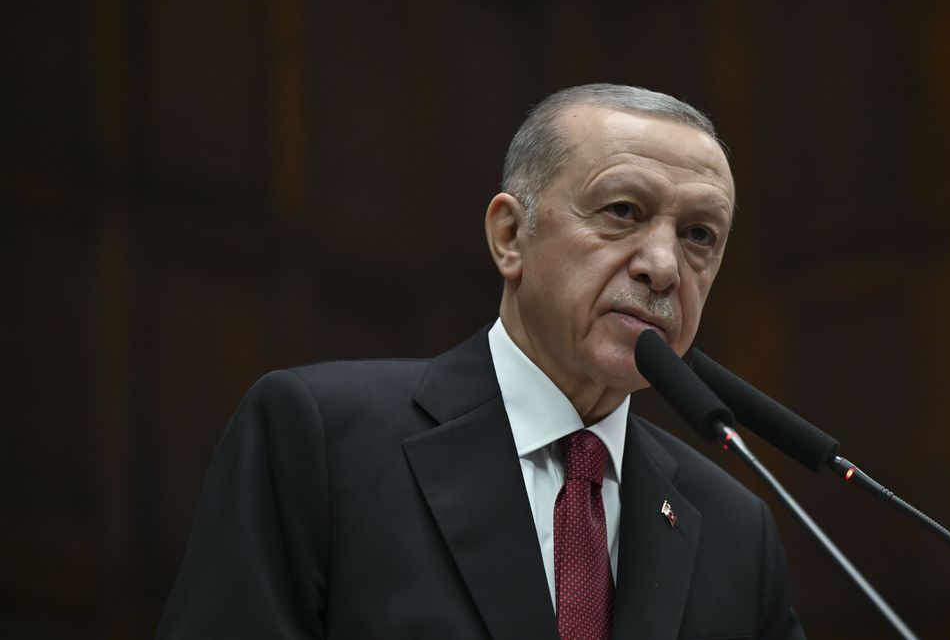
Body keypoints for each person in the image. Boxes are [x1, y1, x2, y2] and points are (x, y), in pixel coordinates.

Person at [156, 84, 805, 639]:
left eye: (699, 235)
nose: (662, 266)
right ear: (509, 236)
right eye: (622, 212)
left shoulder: (733, 529)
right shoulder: (323, 438)